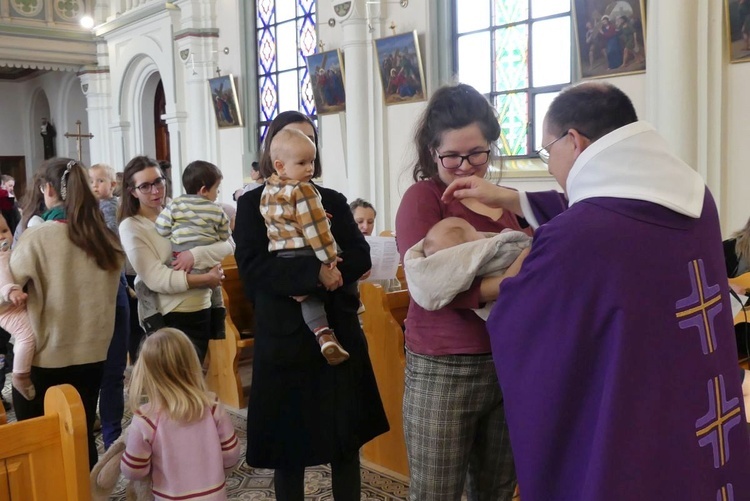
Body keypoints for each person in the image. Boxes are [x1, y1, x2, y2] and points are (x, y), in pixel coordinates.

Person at [442, 81, 750, 500]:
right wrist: (510, 199)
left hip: (636, 427)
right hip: (701, 407)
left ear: (574, 140)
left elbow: (523, 316)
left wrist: (501, 282)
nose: (551, 166)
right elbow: (608, 209)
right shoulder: (695, 199)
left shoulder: (580, 235)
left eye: (549, 152)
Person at [234, 110, 388, 500]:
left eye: (310, 146)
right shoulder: (253, 205)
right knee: (289, 449)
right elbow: (253, 269)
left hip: (338, 331)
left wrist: (332, 273)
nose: (307, 157)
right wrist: (313, 273)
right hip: (285, 340)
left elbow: (360, 255)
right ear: (274, 153)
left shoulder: (332, 199)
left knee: (345, 441)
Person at [394, 83, 530, 501]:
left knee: (496, 489)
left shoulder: (507, 203)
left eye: (477, 153)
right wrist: (508, 282)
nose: (466, 166)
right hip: (443, 368)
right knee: (436, 493)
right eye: (452, 156)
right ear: (432, 152)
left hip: (507, 360)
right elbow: (429, 285)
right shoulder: (424, 198)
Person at [10, 158, 124, 468]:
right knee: (79, 434)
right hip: (92, 357)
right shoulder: (105, 239)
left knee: (38, 448)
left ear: (47, 189)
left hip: (45, 358)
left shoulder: (38, 237)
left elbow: (10, 289)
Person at [118, 156, 228, 364]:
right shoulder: (132, 226)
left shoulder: (180, 207)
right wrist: (205, 278)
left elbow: (228, 244)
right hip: (171, 315)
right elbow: (155, 278)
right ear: (132, 191)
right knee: (177, 387)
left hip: (202, 306)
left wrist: (196, 255)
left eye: (159, 181)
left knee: (196, 382)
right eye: (145, 186)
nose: (156, 190)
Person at [260, 128, 350, 365]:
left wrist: (297, 279)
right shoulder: (304, 190)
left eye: (311, 161)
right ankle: (352, 304)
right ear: (280, 165)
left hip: (283, 255)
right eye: (302, 163)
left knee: (307, 297)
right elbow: (316, 230)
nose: (310, 168)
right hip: (307, 250)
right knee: (337, 262)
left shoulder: (268, 190)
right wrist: (329, 258)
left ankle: (322, 334)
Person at [121, 327, 240, 499]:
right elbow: (231, 453)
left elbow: (133, 470)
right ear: (192, 363)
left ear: (145, 372)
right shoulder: (211, 405)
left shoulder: (145, 419)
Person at [144, 160, 231, 340]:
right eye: (217, 188)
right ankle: (219, 319)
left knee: (141, 283)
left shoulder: (175, 205)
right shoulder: (217, 209)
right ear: (204, 190)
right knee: (214, 281)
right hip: (206, 264)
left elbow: (161, 228)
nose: (218, 193)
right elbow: (225, 236)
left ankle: (150, 317)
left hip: (179, 261)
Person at [403, 217, 530, 320]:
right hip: (454, 343)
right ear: (474, 242)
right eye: (476, 232)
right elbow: (511, 248)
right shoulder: (479, 254)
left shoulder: (508, 197)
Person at [89, 162, 131, 449]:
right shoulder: (82, 214)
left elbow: (114, 246)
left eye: (100, 181)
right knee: (102, 372)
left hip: (113, 290)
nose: (95, 187)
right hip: (96, 295)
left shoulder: (109, 209)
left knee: (112, 371)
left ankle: (112, 436)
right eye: (90, 182)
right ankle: (108, 434)